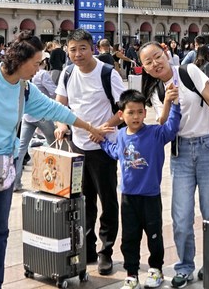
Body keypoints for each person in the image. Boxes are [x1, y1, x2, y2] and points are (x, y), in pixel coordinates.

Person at [0, 31, 108, 289]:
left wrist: (89, 127)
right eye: (36, 64)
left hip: (3, 164)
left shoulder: (25, 89)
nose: (39, 69)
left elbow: (56, 109)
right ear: (20, 61)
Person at [137, 41, 209, 287]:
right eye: (148, 62)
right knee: (181, 216)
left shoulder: (189, 71)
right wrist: (168, 100)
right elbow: (163, 125)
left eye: (157, 56)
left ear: (166, 54)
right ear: (144, 69)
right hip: (181, 154)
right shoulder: (156, 91)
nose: (155, 63)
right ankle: (185, 266)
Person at [54, 28, 127, 276]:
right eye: (72, 49)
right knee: (82, 201)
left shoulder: (107, 73)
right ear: (67, 50)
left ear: (92, 48)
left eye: (82, 48)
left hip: (104, 148)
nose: (77, 54)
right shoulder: (67, 73)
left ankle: (106, 251)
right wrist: (61, 125)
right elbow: (59, 106)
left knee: (107, 201)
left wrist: (104, 129)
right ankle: (87, 247)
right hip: (77, 148)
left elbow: (124, 109)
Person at [101, 89, 181, 289]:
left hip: (150, 197)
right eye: (130, 112)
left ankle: (156, 270)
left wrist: (174, 105)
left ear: (145, 113)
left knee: (154, 235)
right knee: (129, 237)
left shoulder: (155, 133)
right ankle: (131, 274)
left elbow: (171, 128)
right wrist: (102, 141)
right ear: (121, 115)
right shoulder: (120, 135)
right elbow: (115, 153)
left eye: (139, 111)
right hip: (128, 198)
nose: (135, 116)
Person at [13, 56, 59, 192]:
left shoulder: (22, 75)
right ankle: (54, 181)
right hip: (43, 115)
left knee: (21, 148)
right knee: (54, 147)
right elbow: (54, 92)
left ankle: (15, 183)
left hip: (27, 115)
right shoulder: (43, 74)